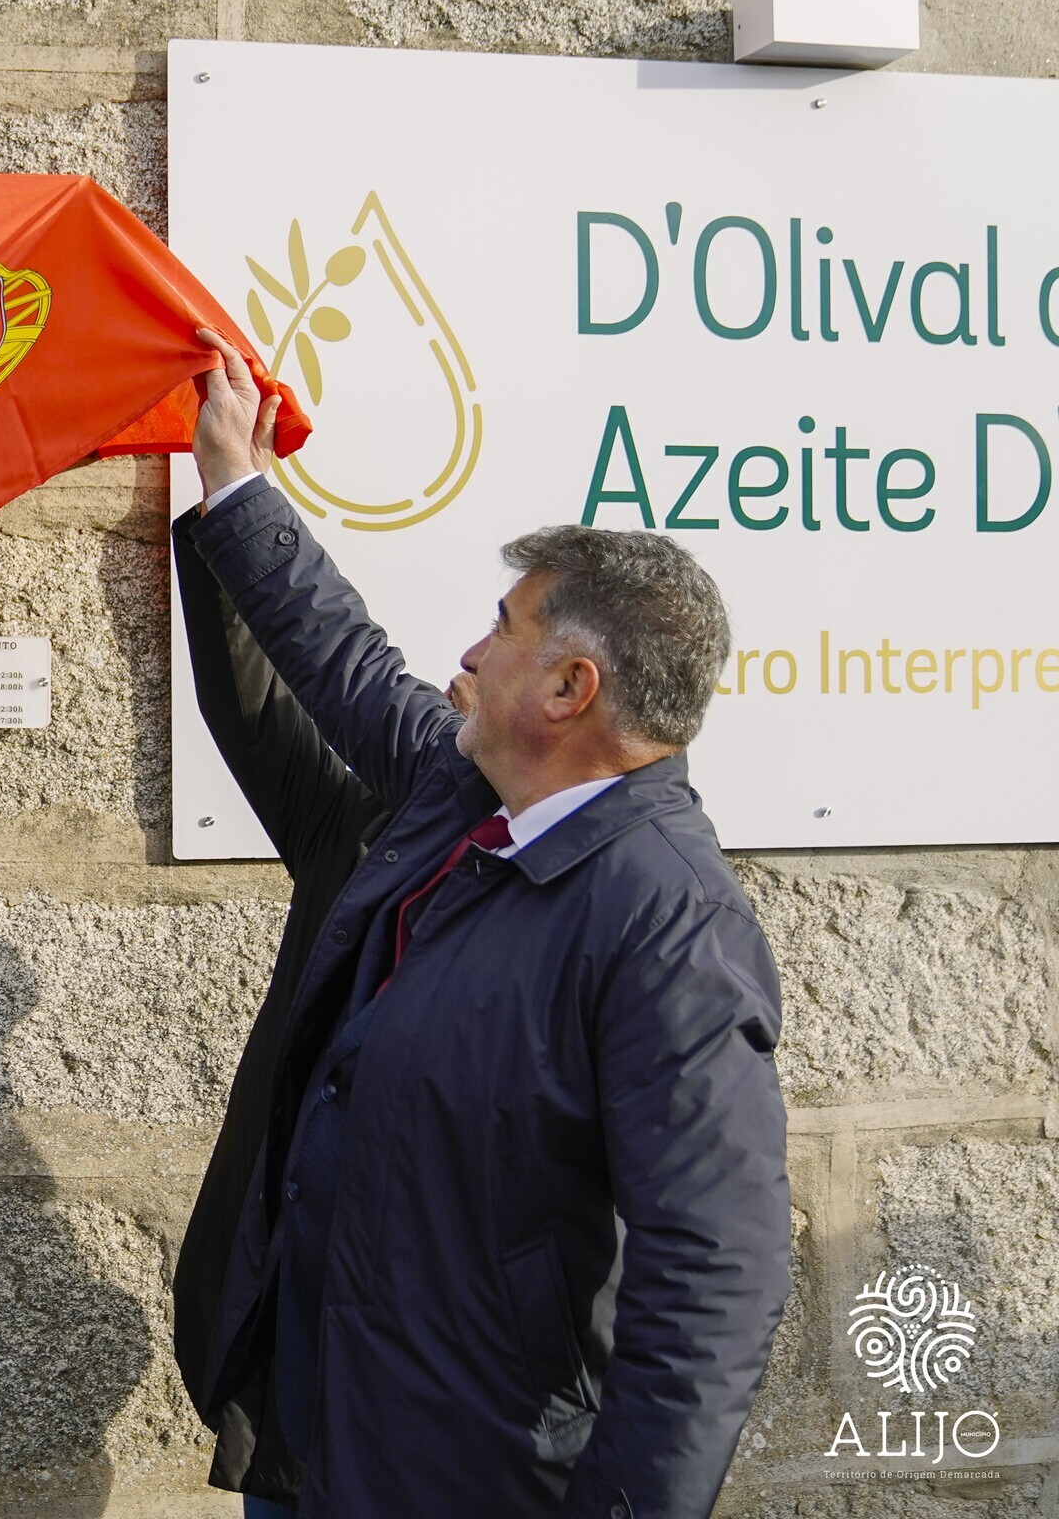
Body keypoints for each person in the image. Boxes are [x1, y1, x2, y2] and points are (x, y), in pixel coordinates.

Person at [177, 331, 790, 1518]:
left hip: (466, 1477)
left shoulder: (667, 921)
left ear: (569, 689)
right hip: (318, 1439)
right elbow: (343, 661)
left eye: (502, 628)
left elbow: (713, 1279)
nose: (468, 652)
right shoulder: (467, 790)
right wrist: (236, 485)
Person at [169, 503, 473, 1514]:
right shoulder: (359, 826)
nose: (466, 664)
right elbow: (254, 704)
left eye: (500, 645)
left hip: (433, 1396)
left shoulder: (580, 899)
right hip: (295, 1375)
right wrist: (221, 504)